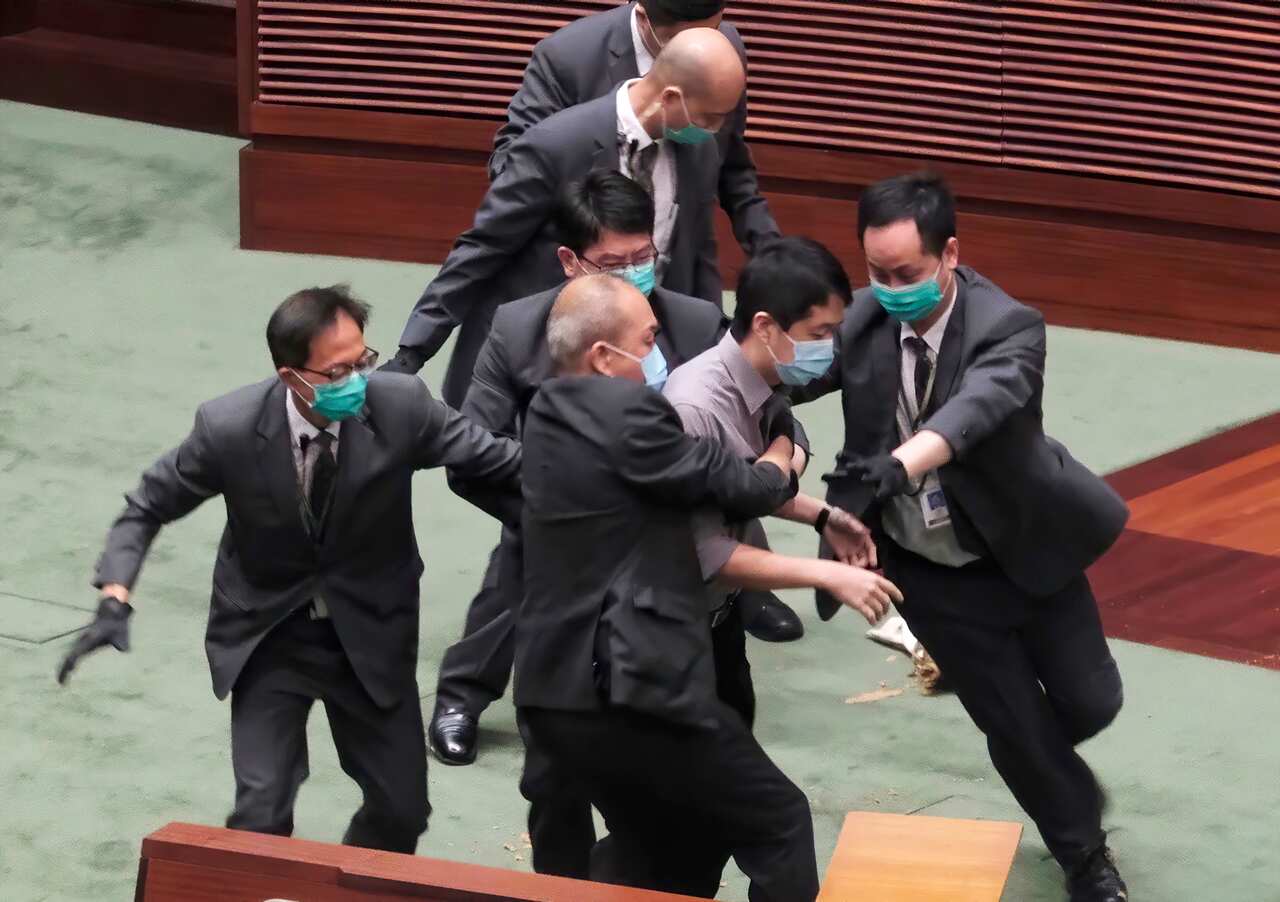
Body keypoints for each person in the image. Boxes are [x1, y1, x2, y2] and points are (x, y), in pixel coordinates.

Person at [56, 287, 522, 855]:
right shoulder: (228, 427)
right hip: (270, 633)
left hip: (371, 631)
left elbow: (497, 457)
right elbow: (148, 505)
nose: (358, 380)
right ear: (291, 376)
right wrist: (115, 594)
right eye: (338, 371)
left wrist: (593, 468)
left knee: (401, 811)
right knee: (261, 815)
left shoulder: (401, 405)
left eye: (363, 360)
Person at [800, 173, 1129, 902]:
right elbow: (786, 373)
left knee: (1092, 702)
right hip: (929, 571)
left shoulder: (1009, 325)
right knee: (1016, 725)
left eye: (907, 274)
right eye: (876, 273)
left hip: (1023, 552)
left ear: (949, 254)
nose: (890, 290)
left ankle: (1044, 765)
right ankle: (1085, 856)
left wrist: (900, 463)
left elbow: (975, 409)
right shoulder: (861, 319)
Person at [428, 171, 803, 771]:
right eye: (612, 263)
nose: (633, 273)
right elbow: (473, 446)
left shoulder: (694, 321)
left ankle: (742, 602)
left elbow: (771, 411)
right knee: (524, 570)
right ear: (569, 261)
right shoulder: (519, 329)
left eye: (642, 257)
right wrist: (565, 491)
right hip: (561, 504)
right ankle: (461, 697)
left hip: (683, 503)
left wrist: (787, 451)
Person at [514, 273, 818, 901]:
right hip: (639, 682)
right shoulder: (636, 412)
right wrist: (783, 449)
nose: (659, 354)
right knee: (780, 819)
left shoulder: (543, 411)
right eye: (649, 339)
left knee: (652, 843)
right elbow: (746, 487)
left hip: (554, 685)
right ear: (604, 356)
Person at [381, 27, 745, 409]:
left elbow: (699, 254)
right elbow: (482, 249)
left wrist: (715, 356)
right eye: (711, 117)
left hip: (633, 370)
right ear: (671, 98)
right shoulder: (556, 144)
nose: (717, 129)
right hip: (536, 368)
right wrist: (412, 352)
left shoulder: (700, 152)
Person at [662, 235, 904, 730]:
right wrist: (827, 575)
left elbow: (742, 487)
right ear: (765, 326)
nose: (829, 350)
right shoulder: (696, 408)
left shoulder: (765, 380)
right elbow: (704, 553)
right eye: (820, 333)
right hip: (668, 639)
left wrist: (822, 515)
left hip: (720, 617)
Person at [489, 0, 778, 260]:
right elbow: (508, 166)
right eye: (678, 39)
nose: (701, 46)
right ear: (642, 18)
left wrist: (772, 253)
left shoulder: (723, 53)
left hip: (672, 274)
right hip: (586, 270)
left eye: (712, 30)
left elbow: (732, 166)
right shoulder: (567, 56)